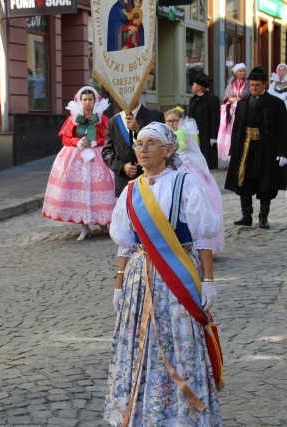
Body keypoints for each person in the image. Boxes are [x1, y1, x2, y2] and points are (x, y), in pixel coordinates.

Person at [105, 122, 223, 425]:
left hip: (176, 277)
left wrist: (207, 281)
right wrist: (119, 283)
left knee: (178, 341)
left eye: (151, 144)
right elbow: (126, 242)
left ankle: (183, 416)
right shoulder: (131, 189)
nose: (142, 150)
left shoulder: (186, 183)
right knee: (140, 343)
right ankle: (142, 413)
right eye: (139, 144)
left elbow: (202, 237)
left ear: (169, 150)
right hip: (140, 279)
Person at [43, 86, 116, 240]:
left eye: (90, 100)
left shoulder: (101, 118)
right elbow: (65, 139)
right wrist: (79, 141)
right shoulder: (73, 118)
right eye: (85, 100)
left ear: (95, 101)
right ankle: (84, 226)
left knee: (100, 188)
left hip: (98, 157)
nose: (87, 103)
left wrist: (96, 141)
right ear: (80, 101)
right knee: (81, 190)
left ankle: (102, 221)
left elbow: (108, 137)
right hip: (77, 158)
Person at [225, 66, 287, 229]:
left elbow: (283, 129)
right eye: (251, 85)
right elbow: (236, 127)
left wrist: (283, 153)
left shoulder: (276, 104)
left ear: (265, 84)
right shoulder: (243, 103)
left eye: (257, 85)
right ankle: (246, 215)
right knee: (243, 179)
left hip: (265, 147)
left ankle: (263, 216)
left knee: (265, 180)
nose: (253, 88)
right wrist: (233, 150)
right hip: (245, 147)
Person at [165, 107, 225, 251]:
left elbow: (182, 149)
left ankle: (197, 241)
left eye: (174, 121)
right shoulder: (164, 134)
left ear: (180, 121)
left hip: (188, 169)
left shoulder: (185, 133)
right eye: (168, 121)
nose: (171, 124)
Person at [102, 101, 165, 197]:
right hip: (124, 182)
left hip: (151, 178)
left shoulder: (155, 116)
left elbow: (161, 143)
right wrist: (122, 167)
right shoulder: (114, 121)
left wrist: (138, 129)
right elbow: (107, 152)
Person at [187, 71, 221, 170]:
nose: (192, 86)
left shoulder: (212, 99)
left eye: (194, 84)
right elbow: (190, 117)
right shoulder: (193, 100)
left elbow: (215, 118)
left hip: (207, 132)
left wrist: (213, 136)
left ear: (199, 86)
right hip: (195, 133)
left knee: (207, 157)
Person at [217, 63, 250, 161]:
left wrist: (239, 100)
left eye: (244, 70)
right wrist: (232, 100)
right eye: (240, 71)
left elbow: (248, 95)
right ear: (236, 73)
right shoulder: (230, 85)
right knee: (230, 132)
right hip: (231, 112)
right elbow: (226, 97)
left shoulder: (248, 84)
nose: (242, 72)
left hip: (243, 109)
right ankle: (228, 153)